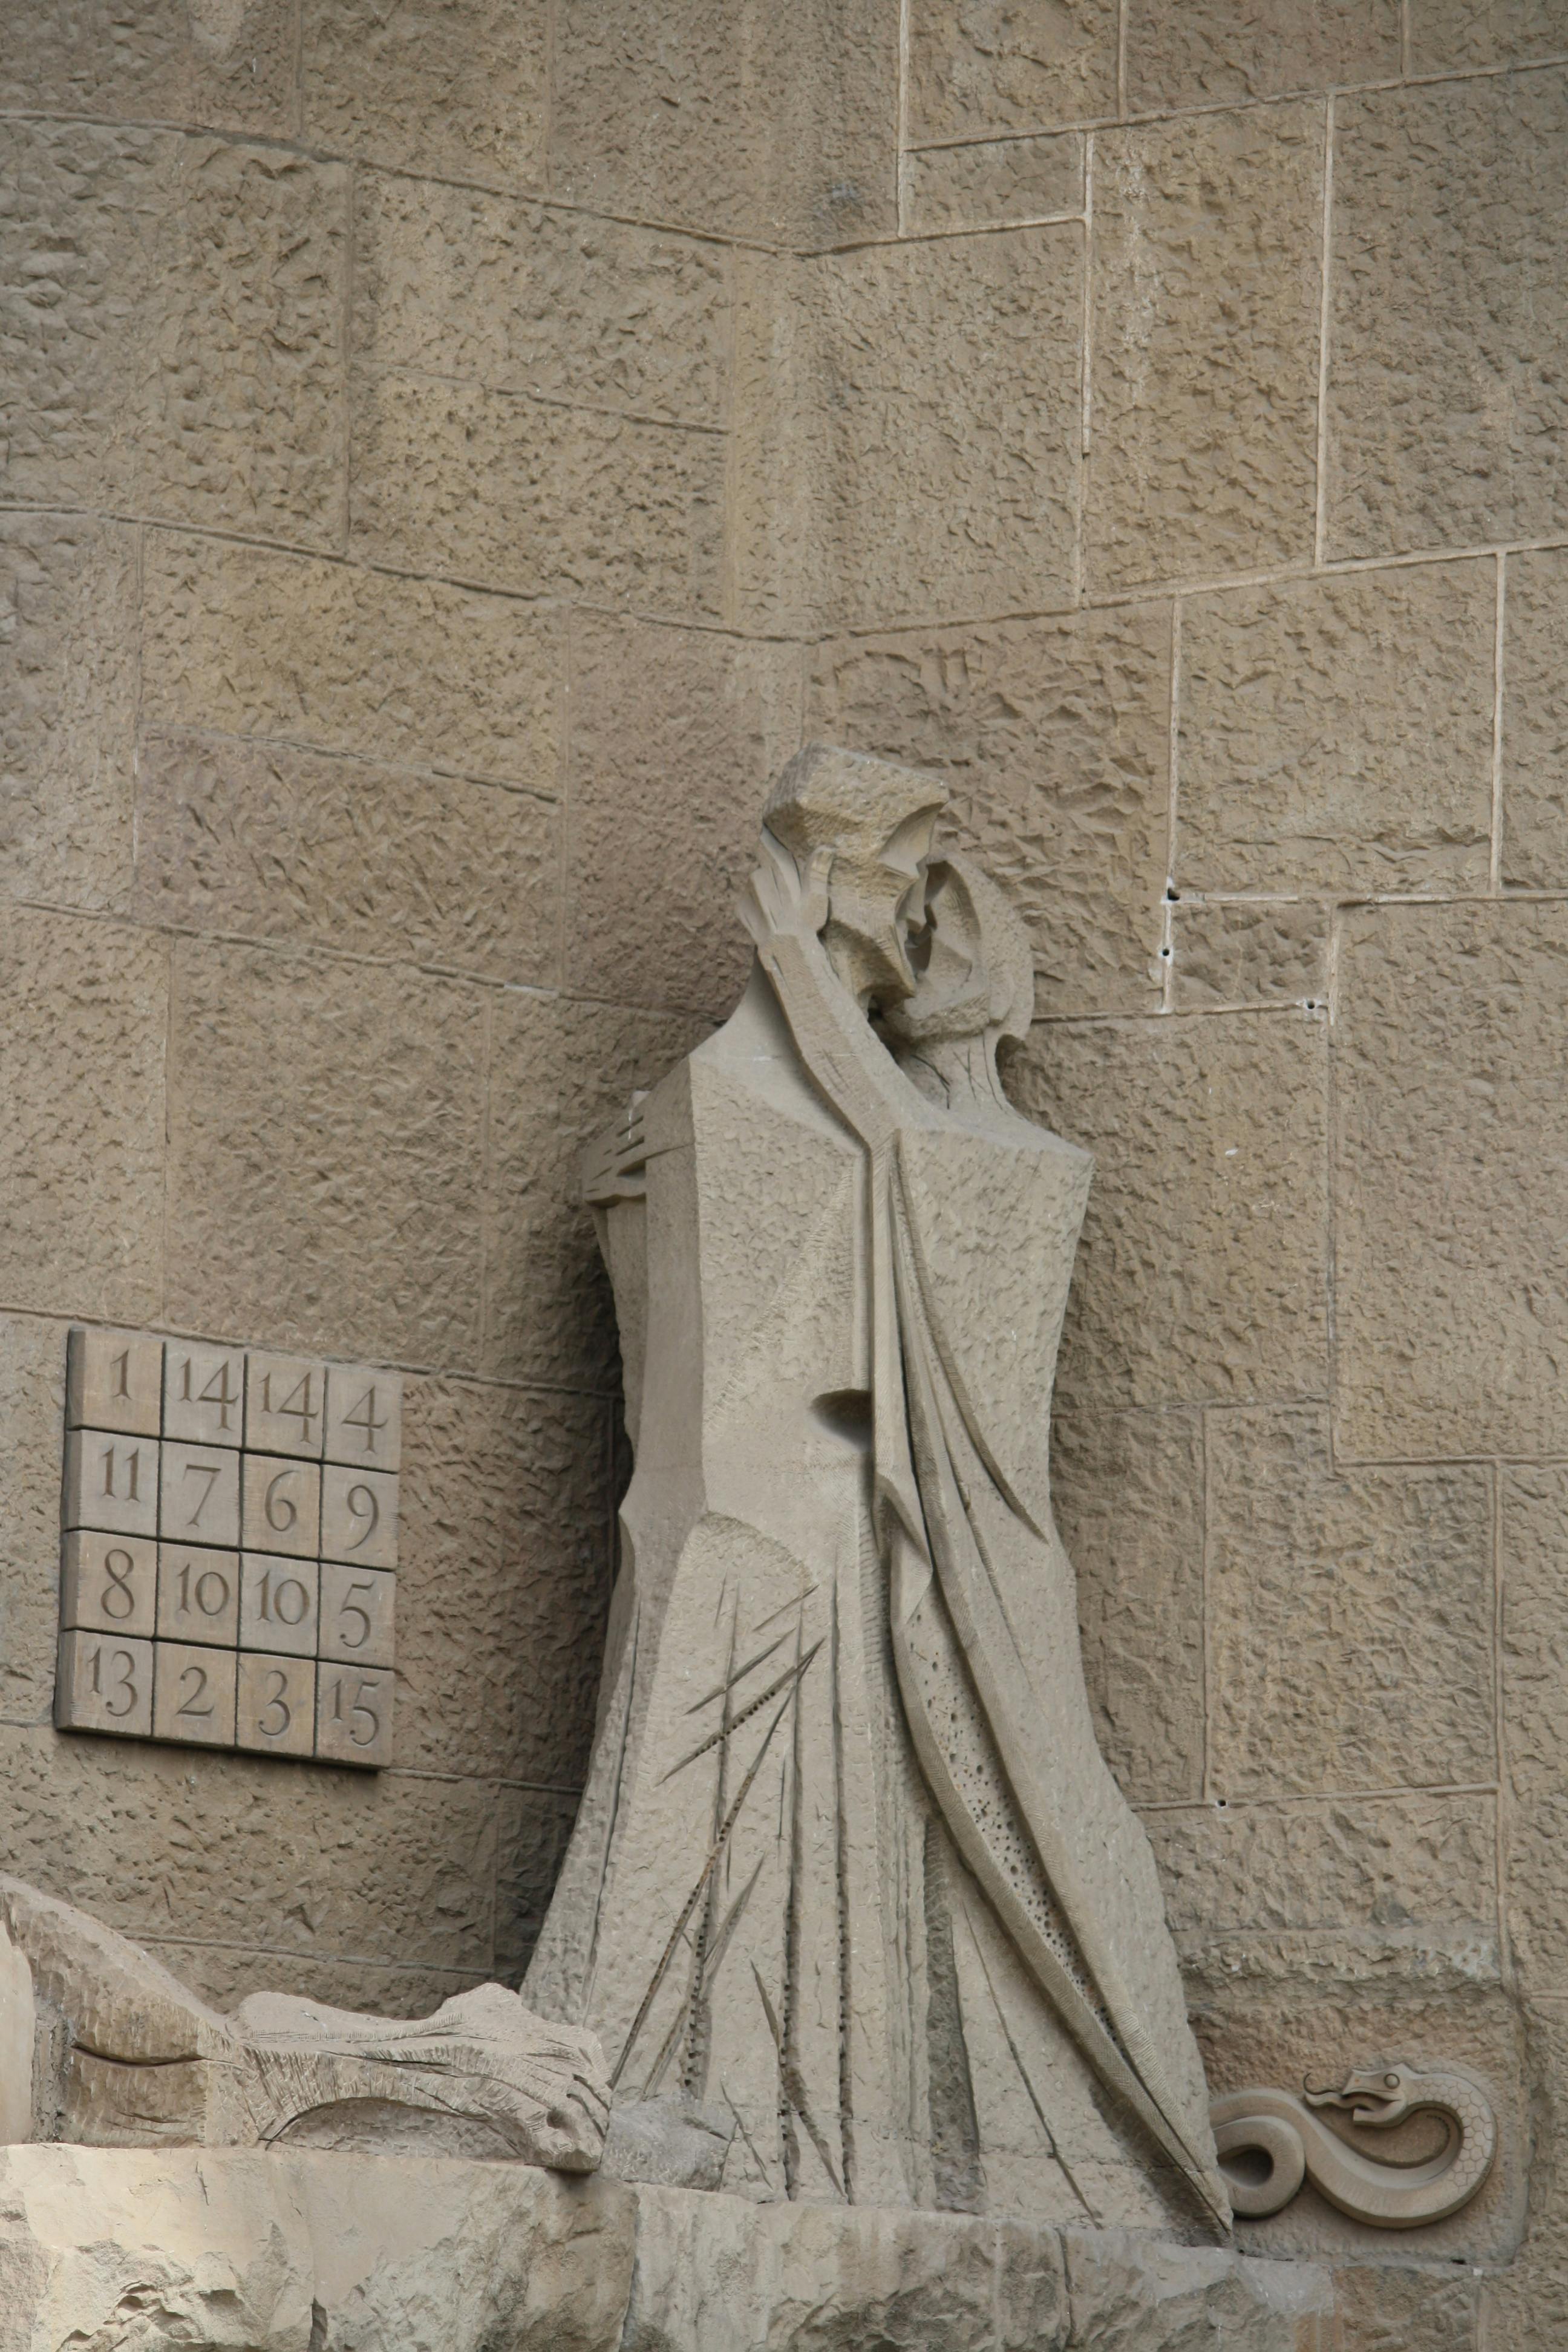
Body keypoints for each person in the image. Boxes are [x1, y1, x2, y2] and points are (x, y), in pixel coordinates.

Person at [526, 746, 1227, 2232]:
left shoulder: (1015, 1159)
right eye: (899, 900)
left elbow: (925, 1174)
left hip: (905, 1573)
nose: (910, 947)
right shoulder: (746, 1094)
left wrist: (793, 969)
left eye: (928, 920)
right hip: (773, 1544)